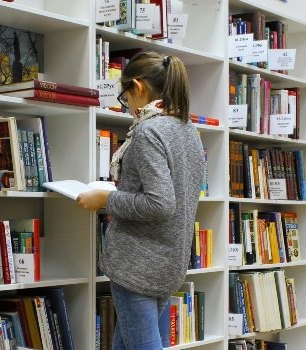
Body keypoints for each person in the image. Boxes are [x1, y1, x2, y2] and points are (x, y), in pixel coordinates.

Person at [76, 51, 205, 350]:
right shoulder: (188, 131)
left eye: (125, 96)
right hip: (168, 262)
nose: (127, 105)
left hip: (138, 264)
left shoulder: (149, 131)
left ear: (139, 87)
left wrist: (105, 199)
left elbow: (160, 204)